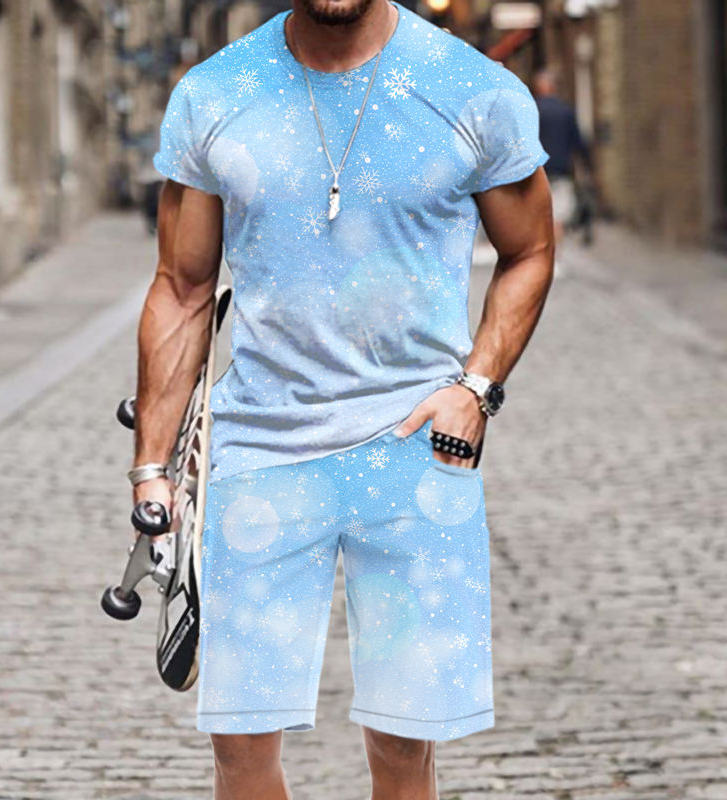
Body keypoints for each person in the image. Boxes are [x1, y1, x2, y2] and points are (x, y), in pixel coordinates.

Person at [131, 1, 554, 797]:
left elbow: (529, 250)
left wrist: (476, 387)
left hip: (417, 453)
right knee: (239, 744)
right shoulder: (215, 94)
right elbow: (183, 288)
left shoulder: (472, 89)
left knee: (403, 746)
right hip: (260, 453)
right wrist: (152, 468)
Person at [533, 66, 593, 274]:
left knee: (538, 216)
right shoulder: (566, 111)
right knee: (557, 216)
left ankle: (539, 259)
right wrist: (587, 167)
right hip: (561, 170)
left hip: (536, 171)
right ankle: (554, 260)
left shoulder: (531, 109)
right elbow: (579, 142)